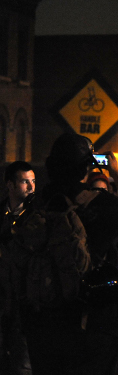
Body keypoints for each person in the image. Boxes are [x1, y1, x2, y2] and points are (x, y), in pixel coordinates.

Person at [22, 133, 118, 375]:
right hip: (92, 319)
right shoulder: (98, 204)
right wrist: (116, 172)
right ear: (86, 166)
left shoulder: (35, 203)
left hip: (41, 317)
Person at [0, 161, 35, 375]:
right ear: (10, 185)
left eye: (33, 181)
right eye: (25, 182)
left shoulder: (39, 216)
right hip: (2, 296)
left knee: (23, 363)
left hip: (26, 299)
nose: (31, 187)